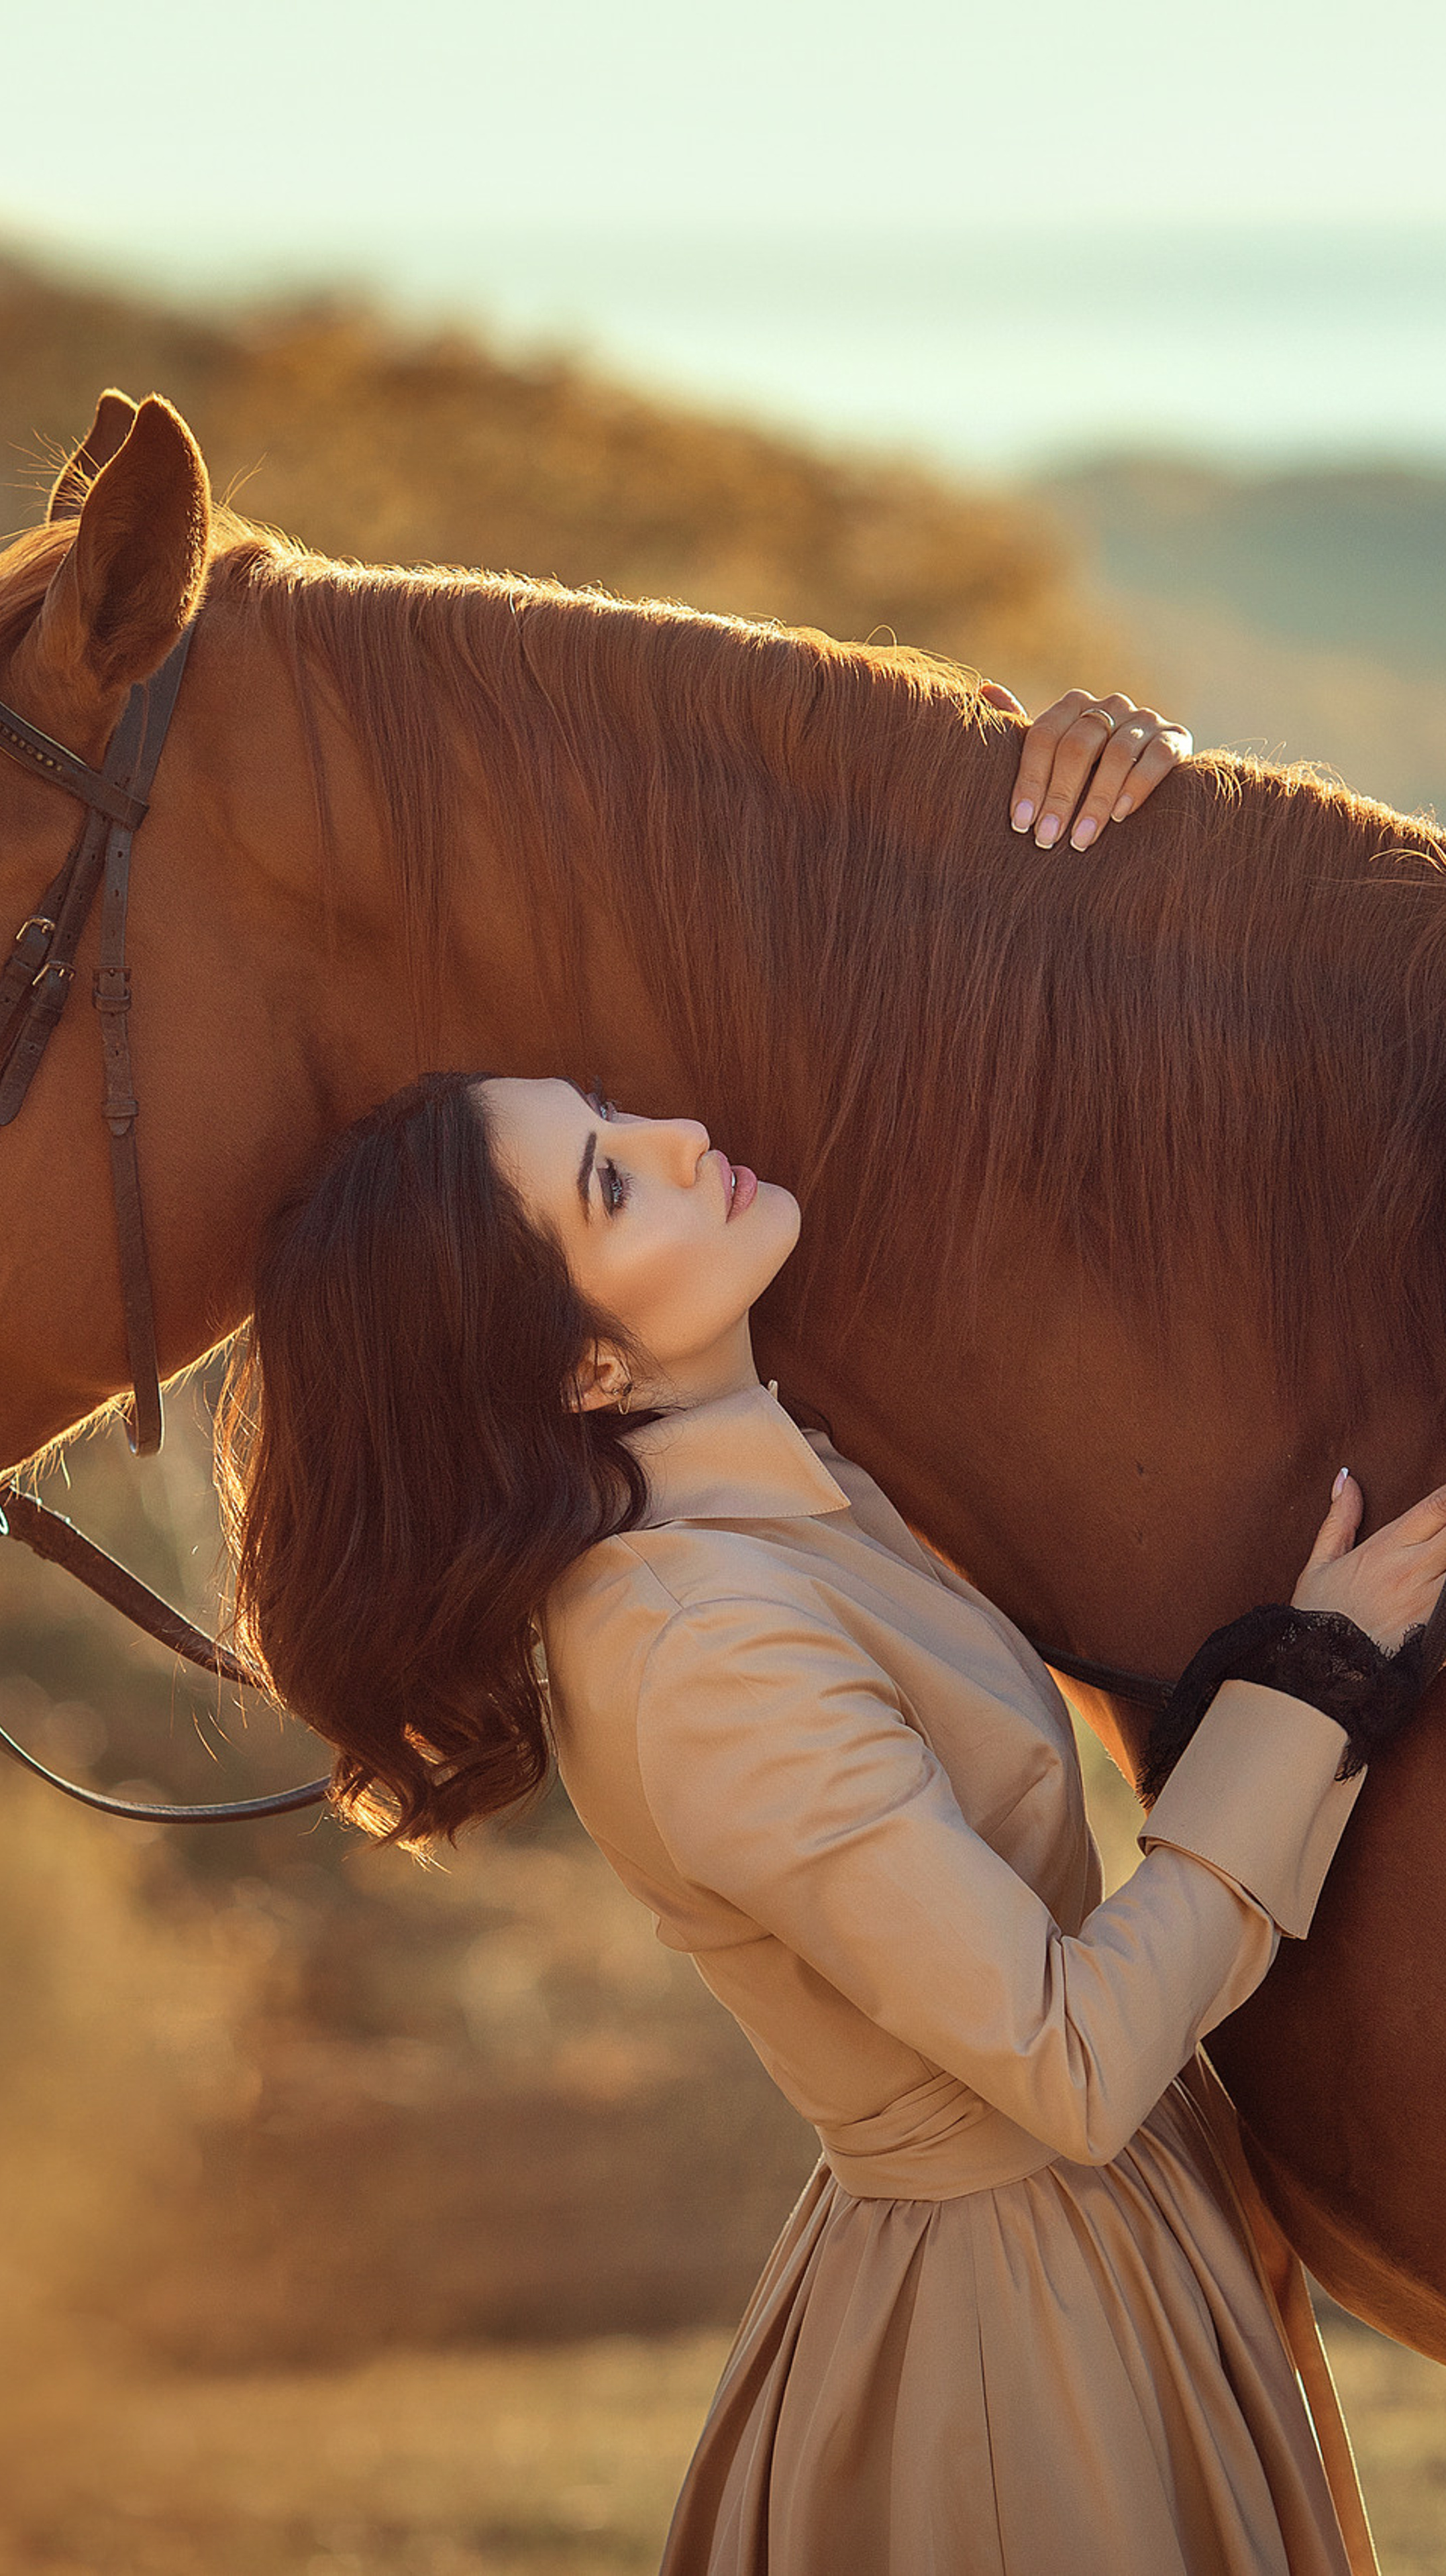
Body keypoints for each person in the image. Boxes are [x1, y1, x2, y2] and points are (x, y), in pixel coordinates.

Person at [224, 692, 1433, 2576]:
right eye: (614, 1181)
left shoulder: (779, 1473)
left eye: (617, 1115)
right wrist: (1311, 1688)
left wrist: (1127, 803)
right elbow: (1070, 2061)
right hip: (1025, 2355)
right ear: (586, 1362)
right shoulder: (693, 1647)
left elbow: (1005, 1076)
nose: (689, 1131)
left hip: (1108, 2265)